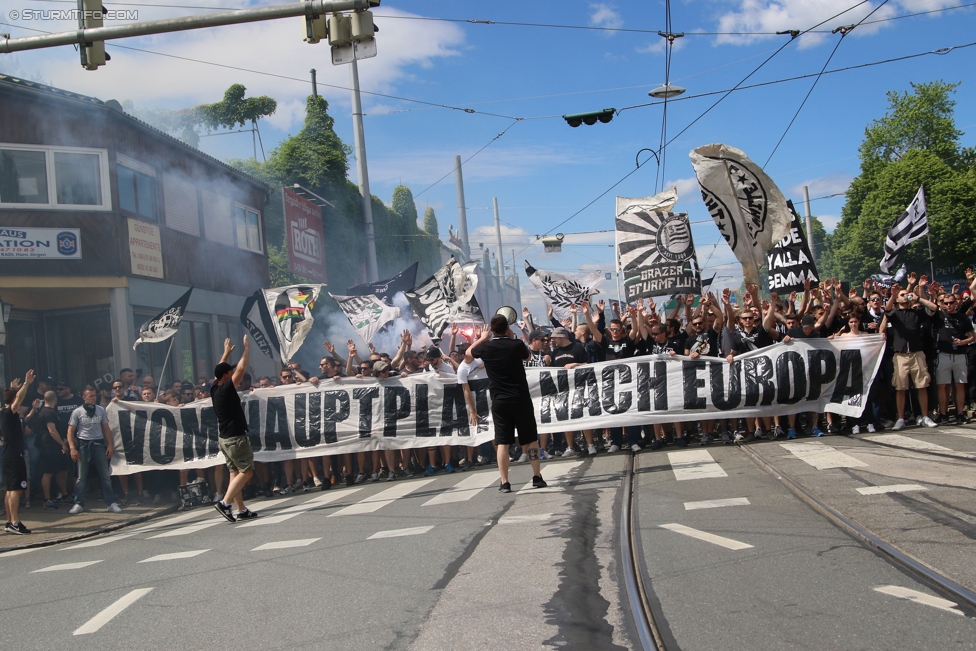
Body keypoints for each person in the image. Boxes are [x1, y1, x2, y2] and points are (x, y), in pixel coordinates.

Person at [471, 317, 547, 493]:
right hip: (520, 398)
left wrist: (482, 338)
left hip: (500, 400)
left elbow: (469, 353)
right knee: (530, 439)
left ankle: (505, 482)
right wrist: (512, 338)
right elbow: (528, 358)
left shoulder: (486, 347)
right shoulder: (516, 345)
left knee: (503, 442)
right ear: (507, 329)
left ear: (491, 329)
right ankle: (537, 475)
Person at [211, 336, 257, 522]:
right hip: (235, 437)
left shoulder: (214, 388)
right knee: (247, 471)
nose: (232, 374)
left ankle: (241, 509)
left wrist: (225, 354)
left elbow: (219, 371)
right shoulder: (226, 389)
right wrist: (246, 348)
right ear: (226, 377)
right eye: (229, 373)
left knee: (235, 473)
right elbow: (241, 368)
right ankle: (225, 502)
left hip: (225, 438)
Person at [67, 387, 122, 514]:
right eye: (90, 396)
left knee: (105, 475)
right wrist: (72, 448)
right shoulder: (77, 412)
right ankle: (79, 503)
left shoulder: (100, 410)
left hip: (98, 443)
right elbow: (70, 431)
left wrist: (110, 445)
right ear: (84, 397)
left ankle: (110, 502)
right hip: (83, 444)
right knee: (82, 477)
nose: (93, 398)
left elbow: (106, 428)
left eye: (94, 395)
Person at [3, 370, 35, 534]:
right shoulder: (10, 412)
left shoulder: (2, 412)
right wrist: (26, 384)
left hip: (8, 455)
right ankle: (15, 522)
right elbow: (18, 400)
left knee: (10, 489)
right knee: (16, 489)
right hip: (15, 455)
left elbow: (13, 399)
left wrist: (13, 389)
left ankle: (9, 522)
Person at [37, 390, 69, 509]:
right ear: (55, 399)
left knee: (61, 470)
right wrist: (62, 443)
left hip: (56, 446)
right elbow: (52, 431)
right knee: (48, 472)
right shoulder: (47, 412)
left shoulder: (51, 411)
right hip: (49, 446)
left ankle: (64, 495)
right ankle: (47, 499)